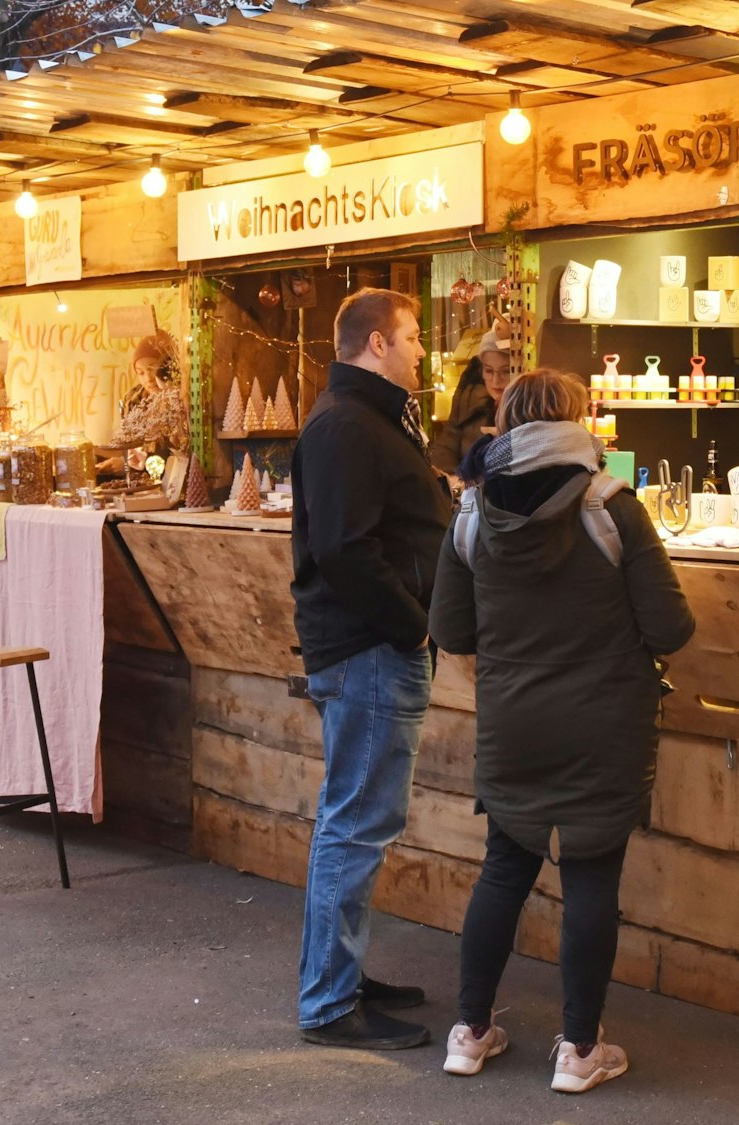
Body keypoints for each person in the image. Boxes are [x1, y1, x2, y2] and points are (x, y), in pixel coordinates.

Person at [429, 369, 695, 1094]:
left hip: (513, 720)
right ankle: (579, 1050)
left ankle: (469, 1031)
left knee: (503, 869)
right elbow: (672, 623)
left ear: (509, 423)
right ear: (580, 418)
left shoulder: (475, 511)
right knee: (590, 877)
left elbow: (450, 627)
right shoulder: (612, 507)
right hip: (604, 724)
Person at [291, 288, 452, 1051]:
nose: (424, 349)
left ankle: (341, 975)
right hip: (370, 649)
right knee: (355, 826)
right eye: (414, 337)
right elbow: (344, 549)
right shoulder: (347, 426)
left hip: (373, 647)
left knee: (354, 821)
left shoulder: (371, 419)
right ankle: (328, 1001)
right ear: (377, 344)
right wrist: (414, 627)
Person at [100, 331, 189, 474]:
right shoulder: (133, 401)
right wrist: (126, 463)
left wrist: (129, 467)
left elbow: (177, 455)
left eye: (152, 369)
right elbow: (131, 450)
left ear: (168, 367)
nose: (148, 378)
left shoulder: (179, 401)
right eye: (140, 373)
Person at [426, 331, 512, 475]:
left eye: (506, 371)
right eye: (489, 371)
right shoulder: (470, 399)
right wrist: (453, 479)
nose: (496, 381)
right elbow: (446, 445)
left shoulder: (526, 408)